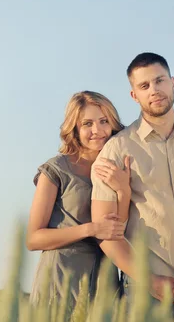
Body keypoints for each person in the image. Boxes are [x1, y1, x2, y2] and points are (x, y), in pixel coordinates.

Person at [90, 52, 174, 320]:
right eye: (144, 86)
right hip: (144, 291)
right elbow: (105, 232)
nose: (154, 90)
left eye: (159, 81)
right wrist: (149, 280)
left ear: (173, 82)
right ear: (134, 95)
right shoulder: (116, 150)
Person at [26, 90, 131, 305]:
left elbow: (119, 228)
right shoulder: (56, 169)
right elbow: (33, 239)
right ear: (74, 127)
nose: (97, 130)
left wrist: (123, 190)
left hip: (104, 280)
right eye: (87, 124)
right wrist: (90, 229)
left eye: (103, 121)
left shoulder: (119, 167)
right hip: (60, 281)